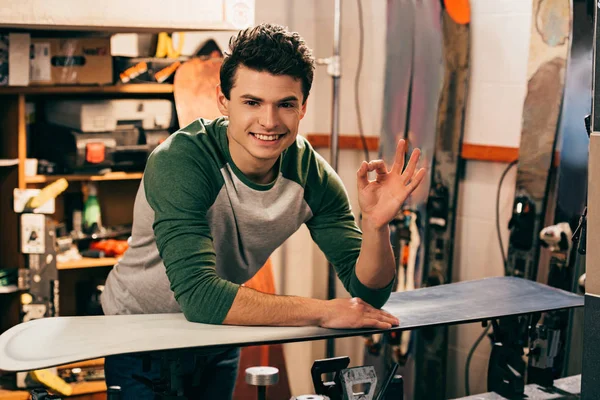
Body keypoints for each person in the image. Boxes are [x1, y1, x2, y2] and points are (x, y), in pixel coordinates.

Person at [101, 22, 425, 399]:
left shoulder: (311, 175)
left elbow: (370, 289)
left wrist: (375, 226)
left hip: (218, 334)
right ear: (223, 101)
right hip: (140, 337)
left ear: (302, 106)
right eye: (252, 102)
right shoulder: (182, 161)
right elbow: (201, 296)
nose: (269, 122)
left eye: (285, 104)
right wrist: (323, 311)